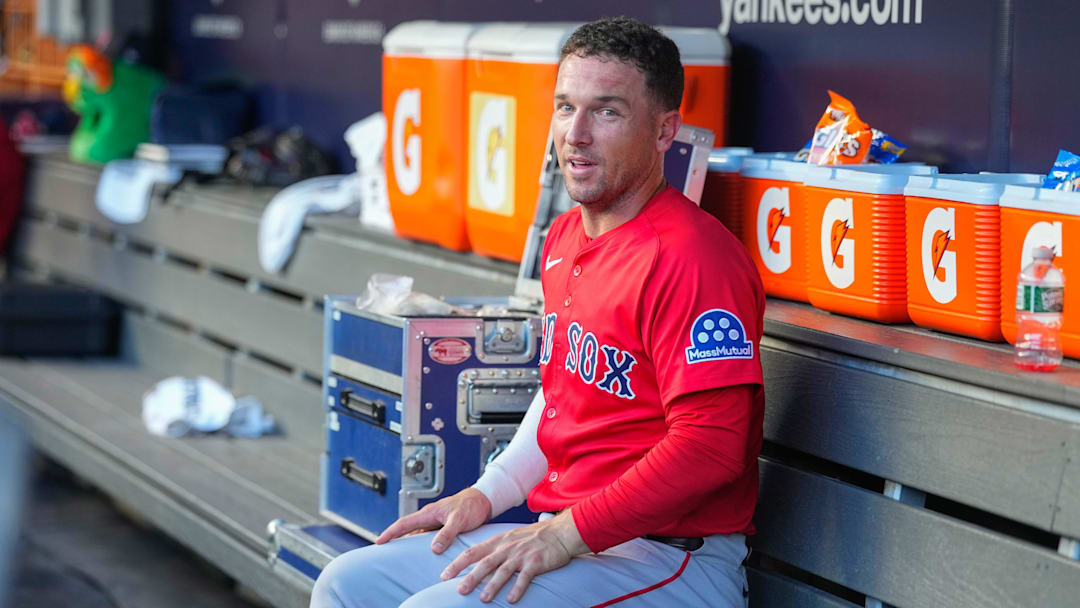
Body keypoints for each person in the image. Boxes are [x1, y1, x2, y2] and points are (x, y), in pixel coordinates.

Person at [310, 16, 765, 608]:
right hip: (568, 537)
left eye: (606, 112)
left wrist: (565, 535)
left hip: (670, 558)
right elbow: (560, 396)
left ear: (663, 131)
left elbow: (712, 446)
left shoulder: (693, 257)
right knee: (346, 584)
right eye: (565, 107)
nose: (576, 133)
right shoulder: (565, 235)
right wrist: (487, 494)